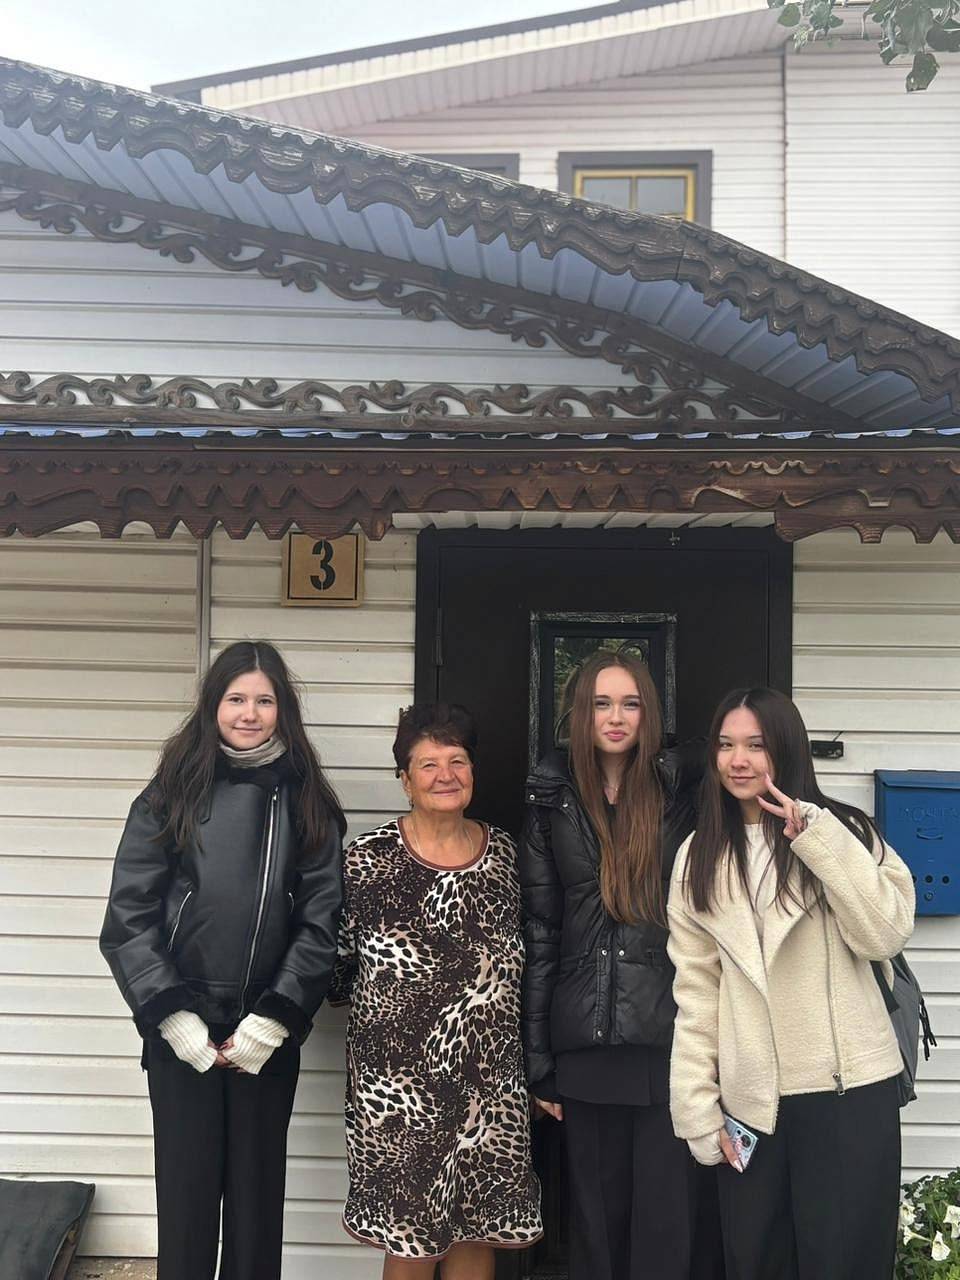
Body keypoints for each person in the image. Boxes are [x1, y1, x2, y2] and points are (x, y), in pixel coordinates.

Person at [99, 640, 345, 1280]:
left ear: (283, 710)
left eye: (265, 700)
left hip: (265, 1033)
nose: (249, 713)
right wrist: (173, 1017)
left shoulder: (308, 799)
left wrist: (275, 1018)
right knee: (186, 1208)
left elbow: (321, 923)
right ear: (213, 705)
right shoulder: (171, 791)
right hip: (182, 1030)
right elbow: (129, 917)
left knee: (256, 1212)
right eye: (236, 698)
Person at [668, 686, 915, 1280]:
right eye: (726, 745)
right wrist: (697, 1105)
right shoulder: (697, 855)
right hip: (753, 1102)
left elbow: (884, 934)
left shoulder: (845, 831)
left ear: (787, 749)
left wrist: (816, 838)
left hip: (848, 1092)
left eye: (756, 745)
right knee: (757, 1263)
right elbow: (697, 991)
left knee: (847, 1264)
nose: (738, 760)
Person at [521, 649, 718, 1280]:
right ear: (580, 713)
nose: (615, 717)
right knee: (595, 1234)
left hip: (666, 1038)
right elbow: (542, 932)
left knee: (664, 1227)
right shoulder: (552, 796)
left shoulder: (683, 791)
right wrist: (539, 1060)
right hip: (585, 1044)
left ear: (648, 713)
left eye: (630, 703)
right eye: (601, 703)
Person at [331, 702, 542, 1277]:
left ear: (473, 772)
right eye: (428, 764)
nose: (445, 775)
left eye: (457, 761)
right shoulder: (367, 860)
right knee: (411, 1239)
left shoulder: (506, 856)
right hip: (399, 1091)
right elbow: (338, 966)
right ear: (405, 780)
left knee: (477, 1230)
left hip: (489, 1086)